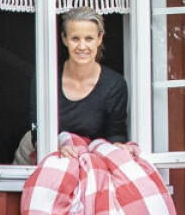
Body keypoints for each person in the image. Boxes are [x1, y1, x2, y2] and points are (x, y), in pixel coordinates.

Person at [53, 10, 128, 143]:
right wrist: (58, 147)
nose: (82, 46)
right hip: (45, 152)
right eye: (75, 38)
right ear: (64, 39)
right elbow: (37, 130)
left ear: (100, 38)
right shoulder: (47, 80)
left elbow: (116, 134)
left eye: (89, 38)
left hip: (93, 157)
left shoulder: (114, 84)